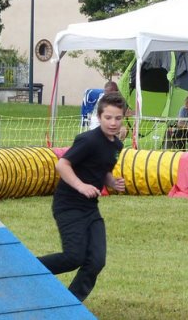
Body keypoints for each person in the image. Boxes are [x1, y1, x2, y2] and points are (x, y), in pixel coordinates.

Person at [38, 92, 127, 302]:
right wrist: (81, 185)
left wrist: (111, 181)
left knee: (97, 261)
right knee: (73, 257)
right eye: (108, 118)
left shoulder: (117, 145)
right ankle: (26, 269)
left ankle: (71, 303)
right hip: (68, 205)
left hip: (90, 208)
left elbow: (100, 168)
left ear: (124, 117)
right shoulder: (88, 140)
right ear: (99, 116)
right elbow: (62, 164)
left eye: (118, 118)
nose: (113, 123)